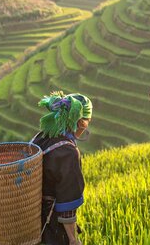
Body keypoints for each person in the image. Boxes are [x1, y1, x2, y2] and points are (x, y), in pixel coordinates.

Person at [30, 91, 92, 245]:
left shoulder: (41, 136)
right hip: (52, 226)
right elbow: (67, 200)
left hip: (31, 220)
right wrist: (72, 239)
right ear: (81, 122)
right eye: (88, 120)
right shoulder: (67, 152)